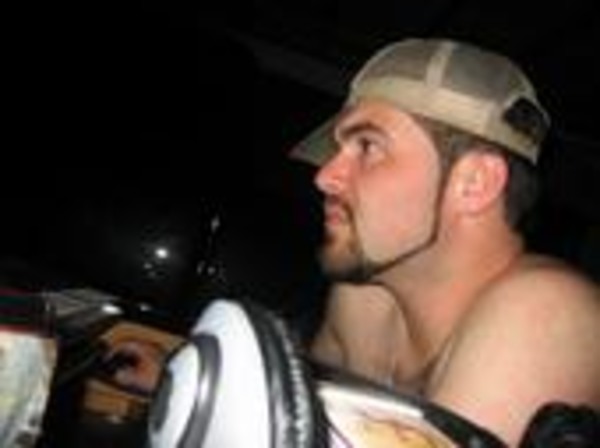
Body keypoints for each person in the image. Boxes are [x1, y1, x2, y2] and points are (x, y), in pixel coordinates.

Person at [292, 37, 600, 446]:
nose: (324, 176)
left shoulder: (548, 314)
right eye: (337, 148)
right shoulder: (364, 300)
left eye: (367, 146)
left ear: (475, 183)